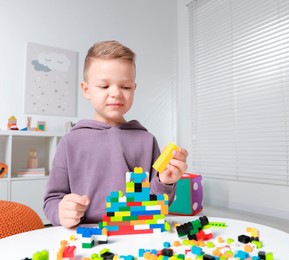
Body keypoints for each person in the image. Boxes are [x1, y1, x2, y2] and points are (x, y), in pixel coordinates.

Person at [43, 40, 188, 228]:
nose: (116, 93)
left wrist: (165, 182)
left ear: (133, 89)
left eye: (125, 87)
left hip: (137, 232)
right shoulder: (71, 141)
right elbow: (52, 200)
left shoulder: (146, 140)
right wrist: (62, 212)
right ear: (86, 90)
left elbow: (158, 203)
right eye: (104, 86)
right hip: (87, 234)